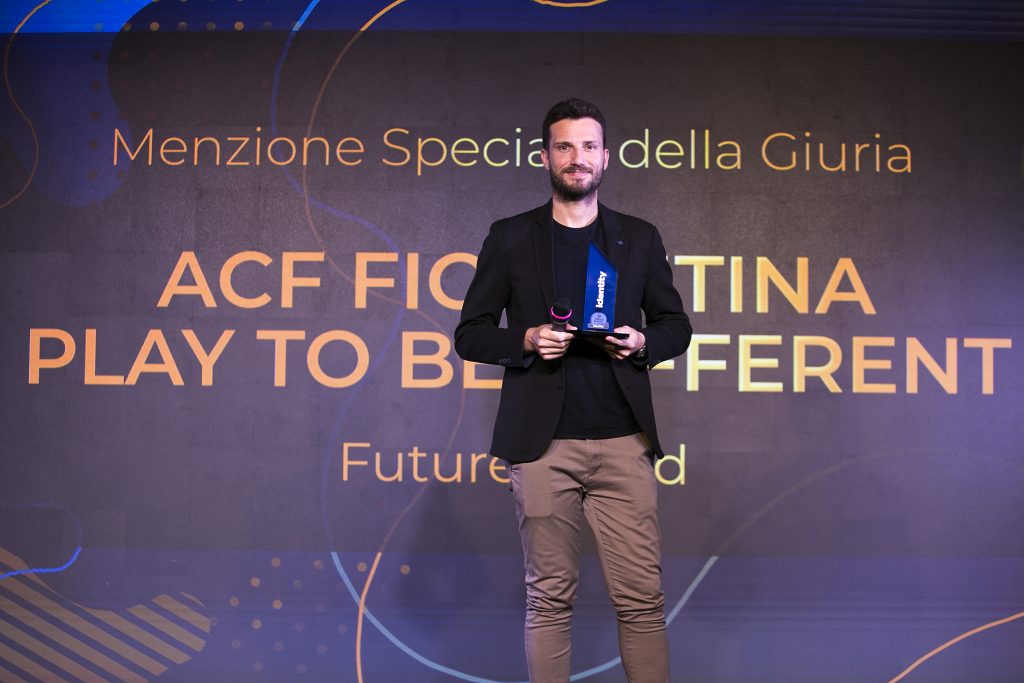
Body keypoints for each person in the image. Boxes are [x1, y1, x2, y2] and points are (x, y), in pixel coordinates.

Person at [454, 98, 691, 683]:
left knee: (642, 601)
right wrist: (527, 338)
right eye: (564, 146)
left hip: (623, 441)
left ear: (606, 158)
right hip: (542, 446)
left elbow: (675, 326)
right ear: (545, 157)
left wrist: (642, 341)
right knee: (548, 600)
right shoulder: (510, 237)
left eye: (588, 147)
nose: (576, 157)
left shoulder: (639, 238)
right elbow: (470, 334)